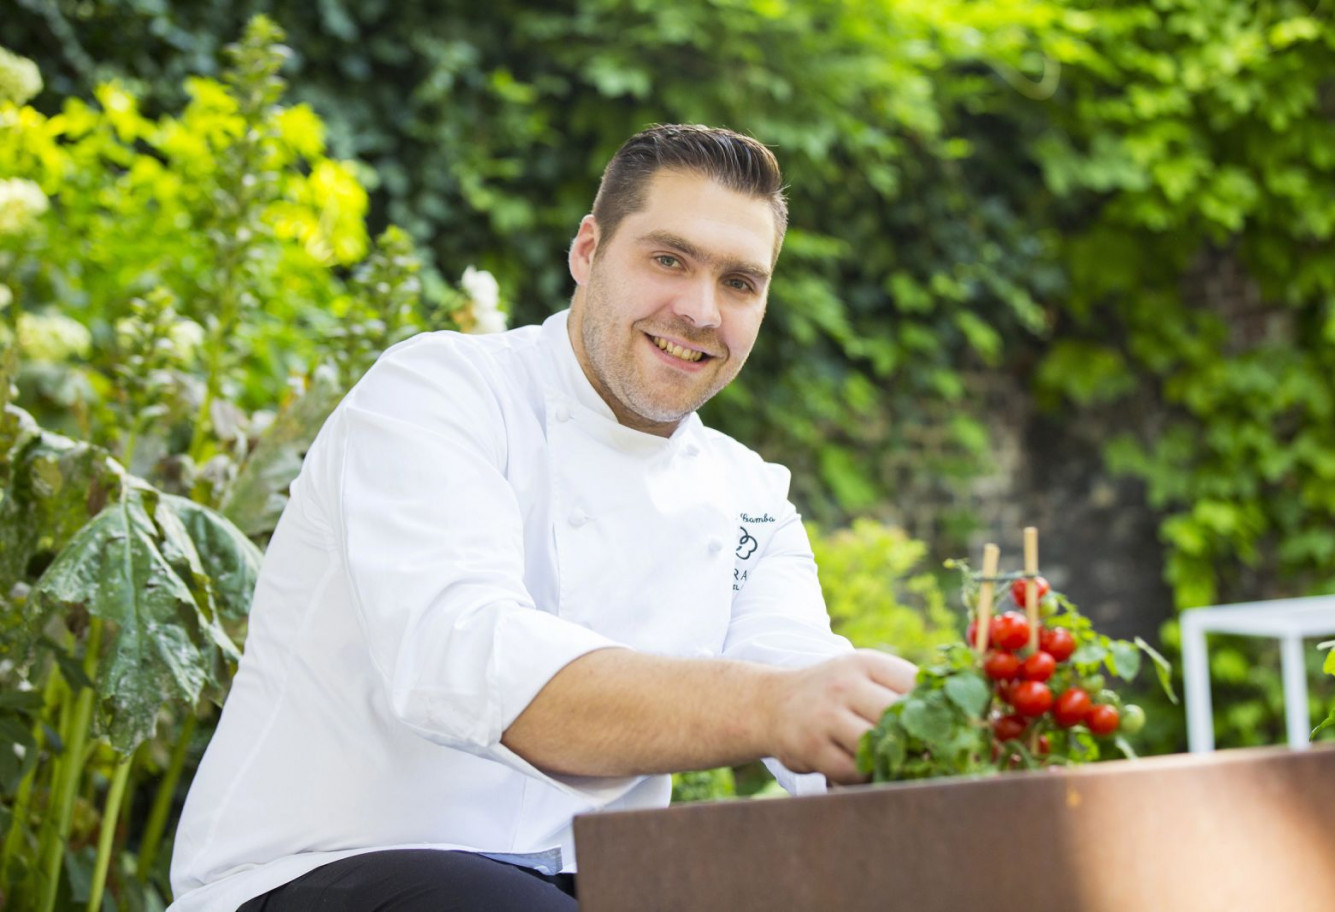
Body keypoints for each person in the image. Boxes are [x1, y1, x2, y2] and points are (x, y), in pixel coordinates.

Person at [168, 124, 918, 912]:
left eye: (740, 282)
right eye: (669, 259)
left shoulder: (750, 494)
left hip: (587, 886)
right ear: (588, 251)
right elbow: (465, 662)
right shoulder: (440, 394)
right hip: (314, 873)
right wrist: (773, 707)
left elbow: (801, 677)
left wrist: (910, 735)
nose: (700, 311)